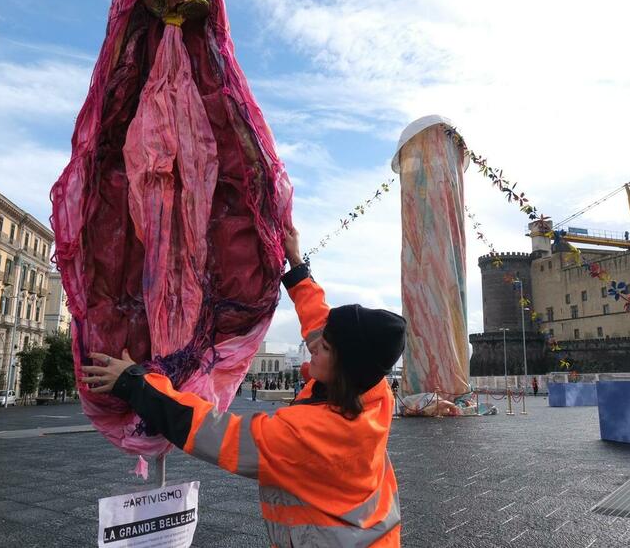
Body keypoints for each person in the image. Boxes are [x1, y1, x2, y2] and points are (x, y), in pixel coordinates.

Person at [83, 226, 406, 546]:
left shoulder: (312, 434)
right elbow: (319, 324)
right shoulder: (373, 390)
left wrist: (134, 383)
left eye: (325, 347)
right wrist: (297, 267)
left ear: (345, 365)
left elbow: (215, 433)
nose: (313, 346)